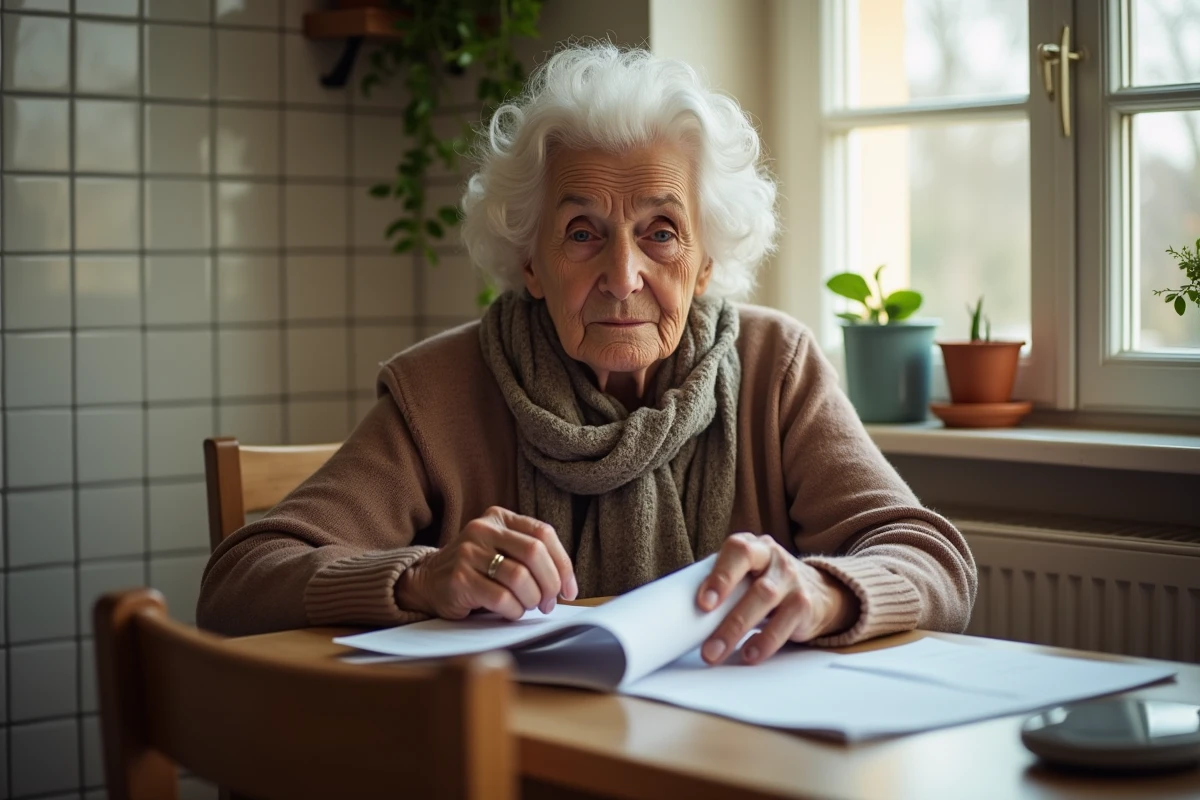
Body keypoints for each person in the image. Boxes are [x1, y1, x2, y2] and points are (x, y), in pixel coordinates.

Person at [198, 43, 976, 667]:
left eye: (661, 231)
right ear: (528, 261)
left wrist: (822, 589)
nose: (622, 276)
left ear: (705, 264)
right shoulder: (440, 389)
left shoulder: (777, 367)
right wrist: (416, 576)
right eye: (582, 232)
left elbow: (933, 559)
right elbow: (239, 581)